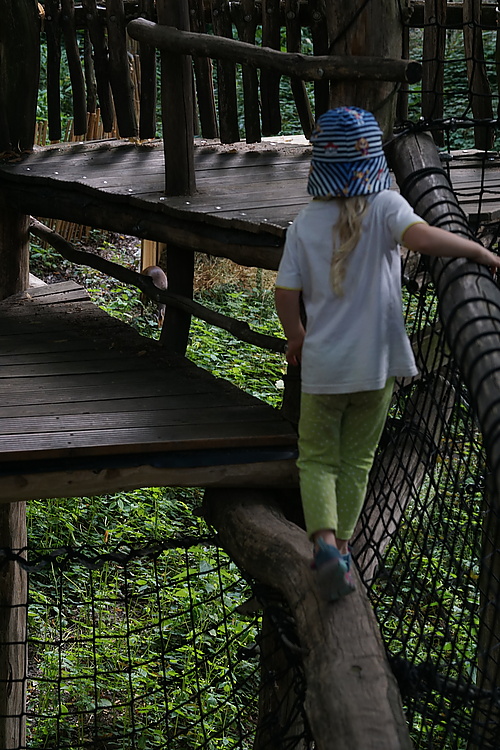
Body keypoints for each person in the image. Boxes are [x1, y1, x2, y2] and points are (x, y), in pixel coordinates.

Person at [274, 106, 500, 603]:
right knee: (357, 461)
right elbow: (423, 237)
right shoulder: (386, 206)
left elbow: (285, 295)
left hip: (323, 370)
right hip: (375, 370)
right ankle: (348, 549)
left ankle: (325, 544)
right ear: (373, 159)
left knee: (315, 458)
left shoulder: (303, 225)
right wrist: (476, 251)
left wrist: (296, 336)